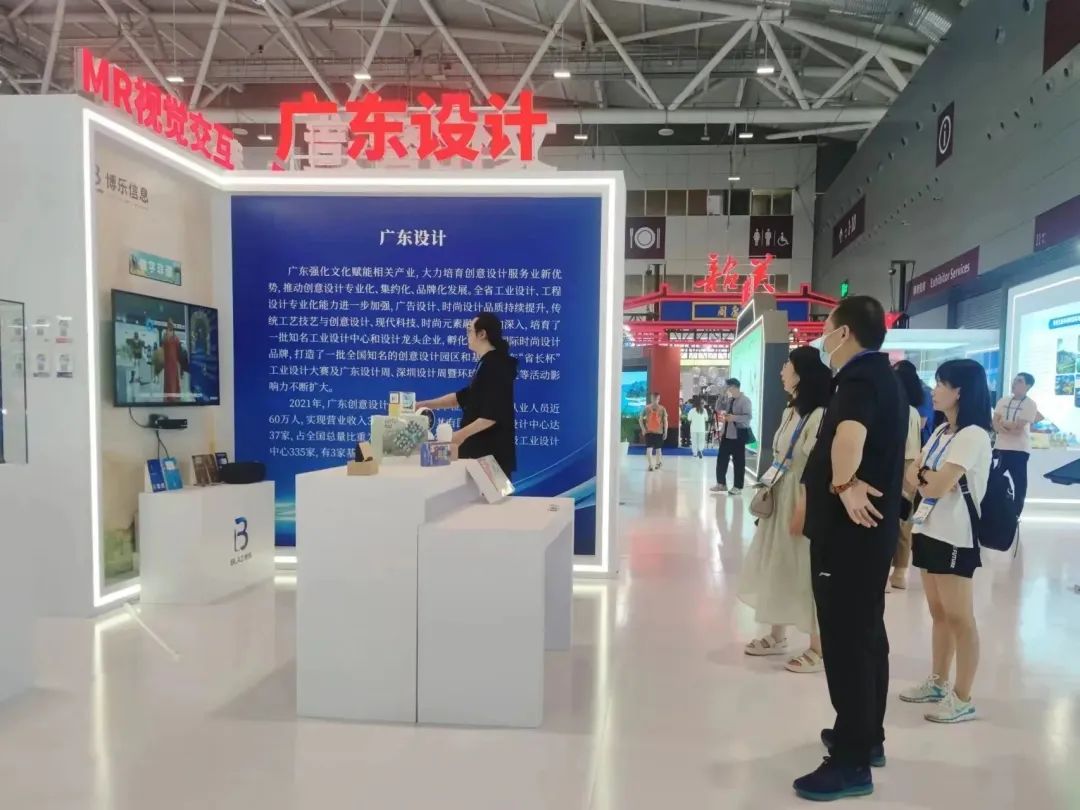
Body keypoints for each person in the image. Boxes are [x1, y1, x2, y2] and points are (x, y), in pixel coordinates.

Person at [793, 296, 907, 803]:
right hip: (868, 539)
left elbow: (849, 435)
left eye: (826, 327)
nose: (822, 336)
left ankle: (851, 762)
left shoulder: (858, 380)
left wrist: (842, 485)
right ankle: (865, 734)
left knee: (845, 644)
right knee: (866, 635)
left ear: (844, 333)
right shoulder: (883, 376)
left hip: (848, 539)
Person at [901, 359, 992, 725]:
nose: (934, 390)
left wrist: (926, 476)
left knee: (960, 617)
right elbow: (913, 476)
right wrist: (928, 476)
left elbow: (934, 485)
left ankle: (963, 696)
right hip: (928, 529)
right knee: (938, 613)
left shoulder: (973, 435)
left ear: (960, 392)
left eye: (941, 384)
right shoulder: (941, 431)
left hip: (956, 535)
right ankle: (938, 682)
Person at [738, 347, 831, 673]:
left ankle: (818, 647)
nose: (781, 371)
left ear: (802, 373)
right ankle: (777, 634)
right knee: (778, 563)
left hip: (802, 496)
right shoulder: (791, 410)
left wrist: (804, 507)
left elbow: (817, 466)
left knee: (805, 567)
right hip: (781, 494)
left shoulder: (820, 415)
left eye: (787, 366)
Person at [416, 312, 519, 476]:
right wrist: (423, 405)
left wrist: (458, 436)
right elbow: (461, 398)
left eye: (469, 330)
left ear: (482, 334)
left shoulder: (496, 365)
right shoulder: (486, 363)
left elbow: (491, 416)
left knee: (490, 496)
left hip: (490, 457)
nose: (467, 335)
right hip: (479, 452)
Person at [889, 360, 928, 592]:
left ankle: (893, 570)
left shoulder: (897, 409)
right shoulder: (913, 410)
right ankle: (899, 572)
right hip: (910, 464)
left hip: (899, 464)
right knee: (904, 519)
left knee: (894, 518)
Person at [993, 372, 1039, 517]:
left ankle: (1015, 515)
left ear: (1028, 386)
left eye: (1019, 381)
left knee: (1020, 484)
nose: (1014, 383)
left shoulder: (1030, 404)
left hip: (1019, 450)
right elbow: (995, 422)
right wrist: (1003, 425)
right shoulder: (1003, 400)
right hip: (1000, 448)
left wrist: (1002, 424)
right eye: (1014, 380)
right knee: (992, 478)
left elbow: (1018, 428)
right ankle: (992, 509)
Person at [711, 379, 753, 496]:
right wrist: (722, 395)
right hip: (726, 435)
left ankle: (738, 486)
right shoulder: (730, 400)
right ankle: (721, 484)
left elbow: (748, 417)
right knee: (721, 460)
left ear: (734, 387)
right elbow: (718, 408)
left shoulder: (745, 400)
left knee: (738, 462)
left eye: (728, 387)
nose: (727, 389)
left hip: (738, 436)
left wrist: (733, 418)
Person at [639, 392, 668, 472]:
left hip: (648, 432)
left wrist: (643, 429)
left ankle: (651, 465)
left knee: (649, 449)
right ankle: (658, 464)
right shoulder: (662, 408)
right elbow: (665, 421)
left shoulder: (646, 408)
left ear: (651, 398)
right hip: (659, 432)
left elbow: (640, 419)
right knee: (658, 449)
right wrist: (665, 431)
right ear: (659, 399)